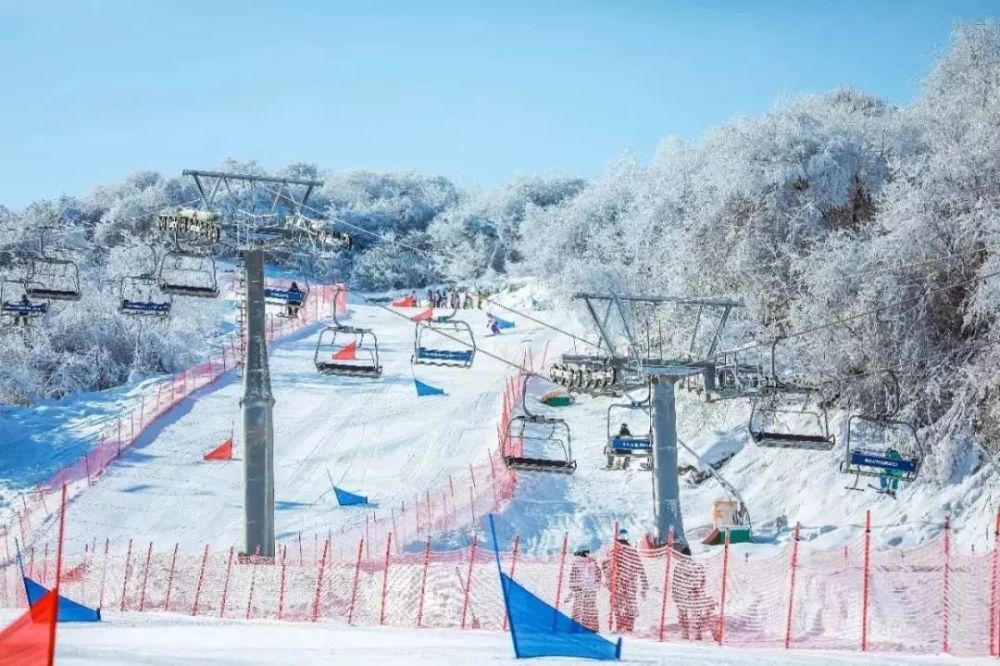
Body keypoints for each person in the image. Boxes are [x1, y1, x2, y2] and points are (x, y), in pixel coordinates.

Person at [602, 528, 648, 633]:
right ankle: (625, 627)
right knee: (625, 605)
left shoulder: (615, 549)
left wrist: (609, 580)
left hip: (622, 584)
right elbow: (640, 567)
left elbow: (606, 566)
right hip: (623, 584)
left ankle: (624, 627)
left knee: (622, 605)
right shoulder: (618, 550)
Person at [671, 544, 719, 641]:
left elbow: (675, 582)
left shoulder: (679, 567)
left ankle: (685, 635)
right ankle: (697, 636)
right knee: (696, 617)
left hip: (683, 595)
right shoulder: (698, 566)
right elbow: (702, 581)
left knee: (683, 616)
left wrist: (675, 595)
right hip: (695, 596)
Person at [566, 548, 602, 632]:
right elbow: (598, 575)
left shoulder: (577, 563)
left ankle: (575, 628)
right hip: (591, 589)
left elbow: (573, 577)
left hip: (580, 589)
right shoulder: (593, 562)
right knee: (591, 608)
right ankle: (593, 627)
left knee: (578, 609)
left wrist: (573, 588)